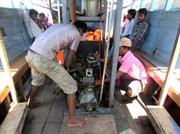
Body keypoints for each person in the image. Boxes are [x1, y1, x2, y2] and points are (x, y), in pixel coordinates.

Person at [25, 21, 87, 127]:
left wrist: (63, 69)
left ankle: (30, 104)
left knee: (37, 81)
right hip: (43, 58)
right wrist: (66, 69)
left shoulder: (59, 25)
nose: (81, 35)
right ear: (80, 29)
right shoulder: (76, 33)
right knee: (71, 86)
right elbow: (69, 58)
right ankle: (72, 120)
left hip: (31, 53)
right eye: (82, 33)